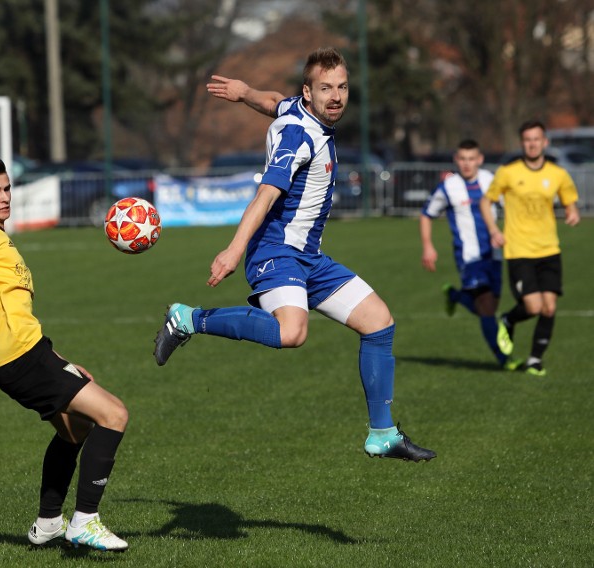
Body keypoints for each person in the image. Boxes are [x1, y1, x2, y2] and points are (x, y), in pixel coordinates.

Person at [155, 47, 436, 462]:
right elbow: (266, 194)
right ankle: (188, 318)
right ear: (309, 92)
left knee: (379, 322)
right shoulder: (297, 135)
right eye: (326, 89)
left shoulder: (299, 111)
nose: (336, 96)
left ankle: (383, 433)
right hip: (275, 251)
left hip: (309, 256)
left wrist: (245, 90)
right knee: (292, 332)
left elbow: (272, 101)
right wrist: (234, 250)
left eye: (341, 87)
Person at [0, 156, 130, 551]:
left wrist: (61, 360)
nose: (5, 197)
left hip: (31, 354)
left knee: (75, 430)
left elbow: (15, 314)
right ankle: (85, 521)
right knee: (114, 415)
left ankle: (47, 522)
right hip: (18, 359)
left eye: (7, 188)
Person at [479, 120, 580, 376]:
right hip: (519, 250)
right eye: (527, 140)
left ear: (545, 142)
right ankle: (508, 320)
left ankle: (534, 359)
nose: (532, 144)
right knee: (533, 307)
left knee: (550, 307)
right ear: (522, 143)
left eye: (536, 139)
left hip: (549, 250)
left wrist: (572, 213)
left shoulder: (558, 174)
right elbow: (485, 202)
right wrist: (494, 230)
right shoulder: (508, 172)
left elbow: (570, 202)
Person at [420, 139, 521, 370]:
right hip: (469, 257)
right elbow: (426, 214)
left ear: (480, 159)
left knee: (487, 307)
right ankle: (504, 359)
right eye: (462, 159)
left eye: (471, 159)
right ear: (456, 160)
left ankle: (455, 295)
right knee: (486, 308)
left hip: (494, 254)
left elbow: (512, 208)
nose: (467, 164)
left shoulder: (490, 180)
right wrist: (428, 246)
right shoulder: (448, 187)